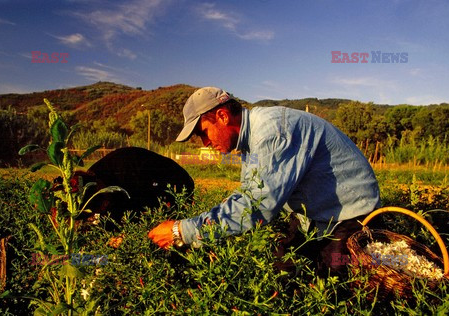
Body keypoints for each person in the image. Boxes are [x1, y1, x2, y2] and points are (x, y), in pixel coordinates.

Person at [148, 86, 380, 276]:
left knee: (334, 282)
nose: (204, 143)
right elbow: (249, 193)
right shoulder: (251, 140)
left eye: (203, 132)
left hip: (349, 216)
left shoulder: (273, 132)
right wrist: (208, 227)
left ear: (222, 116)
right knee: (283, 269)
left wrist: (182, 230)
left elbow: (256, 207)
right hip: (311, 215)